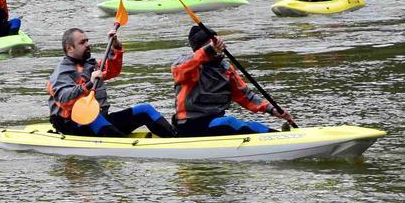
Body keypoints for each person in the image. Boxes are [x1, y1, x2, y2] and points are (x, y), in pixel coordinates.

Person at [47, 27, 176, 138]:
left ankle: (176, 138)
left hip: (99, 118)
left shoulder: (88, 64)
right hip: (73, 124)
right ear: (69, 48)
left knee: (145, 109)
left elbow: (111, 70)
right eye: (82, 42)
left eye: (87, 41)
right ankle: (123, 146)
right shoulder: (62, 72)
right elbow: (63, 99)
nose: (87, 44)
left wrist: (115, 46)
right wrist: (89, 84)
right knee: (94, 118)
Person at [171, 25, 293, 137]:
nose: (217, 46)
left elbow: (246, 96)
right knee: (230, 122)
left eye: (216, 42)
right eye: (211, 43)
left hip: (214, 121)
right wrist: (210, 49)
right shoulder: (186, 64)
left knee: (255, 125)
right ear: (201, 48)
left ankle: (280, 138)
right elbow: (180, 69)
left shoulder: (225, 67)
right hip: (189, 124)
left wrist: (272, 109)